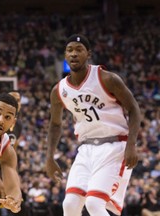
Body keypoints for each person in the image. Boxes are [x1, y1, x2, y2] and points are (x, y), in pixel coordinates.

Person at [45, 34, 141, 216]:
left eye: (79, 50)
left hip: (114, 147)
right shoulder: (59, 91)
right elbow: (55, 124)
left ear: (88, 54)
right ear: (65, 55)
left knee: (94, 204)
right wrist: (49, 157)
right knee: (70, 204)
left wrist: (131, 144)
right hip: (86, 149)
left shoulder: (107, 78)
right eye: (70, 50)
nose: (74, 54)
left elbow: (134, 109)